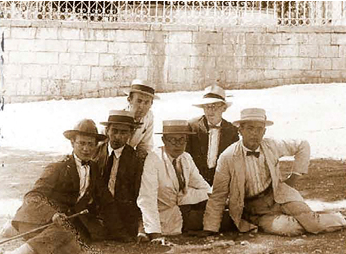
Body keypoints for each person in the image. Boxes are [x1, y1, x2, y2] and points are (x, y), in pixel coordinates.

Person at [203, 108, 346, 236]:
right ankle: (313, 219)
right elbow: (218, 195)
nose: (255, 133)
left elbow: (303, 144)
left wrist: (294, 177)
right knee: (290, 228)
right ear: (240, 130)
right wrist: (210, 228)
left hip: (280, 196)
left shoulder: (271, 145)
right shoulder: (228, 157)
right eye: (250, 128)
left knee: (313, 224)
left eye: (259, 129)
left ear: (264, 131)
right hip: (254, 209)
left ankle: (340, 218)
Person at [3, 119, 121, 254]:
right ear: (72, 143)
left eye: (91, 144)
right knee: (64, 234)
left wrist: (124, 233)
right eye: (81, 143)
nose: (86, 149)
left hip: (65, 220)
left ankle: (16, 230)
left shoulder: (93, 168)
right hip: (40, 219)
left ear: (96, 146)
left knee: (77, 240)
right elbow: (33, 196)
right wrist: (52, 214)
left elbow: (106, 199)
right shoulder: (58, 167)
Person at [137, 120, 211, 243]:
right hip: (159, 215)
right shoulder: (154, 159)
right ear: (163, 140)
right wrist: (155, 234)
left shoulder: (186, 158)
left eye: (182, 139)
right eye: (173, 140)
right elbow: (147, 198)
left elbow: (204, 188)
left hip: (181, 211)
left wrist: (184, 197)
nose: (178, 145)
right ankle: (143, 229)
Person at [96, 110, 144, 239]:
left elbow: (138, 193)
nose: (118, 136)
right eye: (114, 131)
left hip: (123, 212)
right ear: (107, 131)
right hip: (97, 209)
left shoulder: (136, 159)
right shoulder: (95, 152)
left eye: (124, 132)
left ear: (131, 134)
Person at [186, 85, 239, 185]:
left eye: (214, 106)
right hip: (195, 181)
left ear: (224, 108)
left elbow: (233, 161)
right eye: (207, 106)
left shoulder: (232, 130)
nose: (210, 111)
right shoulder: (192, 127)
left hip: (221, 181)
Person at [125, 79, 159, 159]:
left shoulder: (149, 117)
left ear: (151, 104)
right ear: (129, 100)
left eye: (146, 102)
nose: (142, 106)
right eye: (139, 101)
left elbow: (146, 145)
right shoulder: (119, 116)